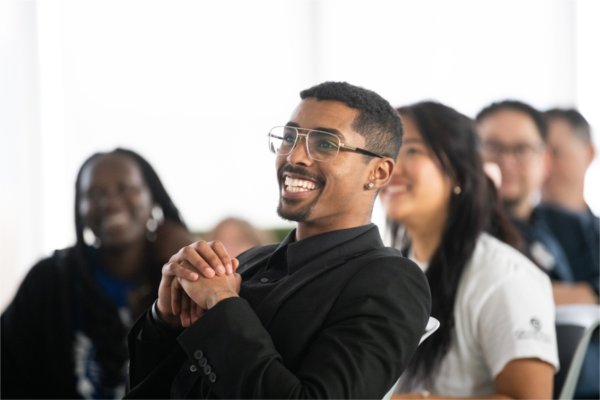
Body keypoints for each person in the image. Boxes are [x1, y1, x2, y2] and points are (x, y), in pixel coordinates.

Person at [125, 82, 432, 399]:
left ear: (378, 173)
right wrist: (164, 319)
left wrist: (222, 303)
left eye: (325, 143)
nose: (295, 156)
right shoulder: (249, 260)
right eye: (289, 138)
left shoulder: (391, 281)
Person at [380, 101, 558, 398]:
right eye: (388, 150)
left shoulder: (505, 277)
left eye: (411, 150)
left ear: (458, 173)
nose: (390, 167)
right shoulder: (394, 267)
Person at [1, 148, 195, 399]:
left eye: (125, 188)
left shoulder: (182, 279)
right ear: (79, 209)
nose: (110, 202)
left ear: (153, 199)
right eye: (94, 194)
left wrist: (191, 261)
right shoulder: (50, 279)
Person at [475, 100, 575, 285]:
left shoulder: (569, 228)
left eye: (521, 149)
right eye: (493, 147)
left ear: (545, 161)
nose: (506, 162)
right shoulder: (461, 232)